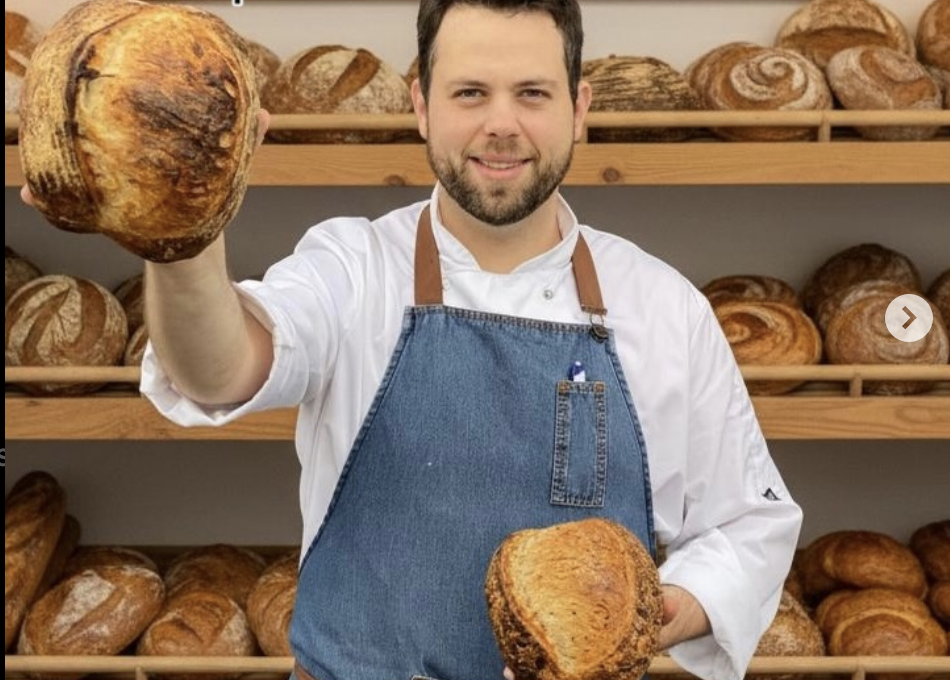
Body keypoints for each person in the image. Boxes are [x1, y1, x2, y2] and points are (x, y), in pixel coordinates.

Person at [24, 0, 802, 677]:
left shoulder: (662, 305)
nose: (502, 123)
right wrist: (184, 234)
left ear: (579, 107)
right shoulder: (353, 267)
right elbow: (220, 371)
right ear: (421, 104)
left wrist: (648, 615)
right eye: (471, 93)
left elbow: (750, 524)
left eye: (533, 93)